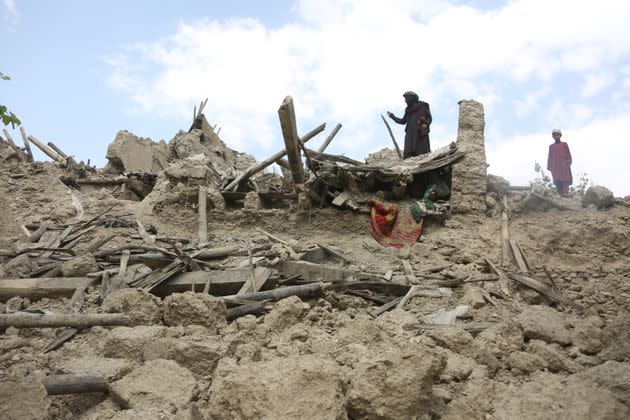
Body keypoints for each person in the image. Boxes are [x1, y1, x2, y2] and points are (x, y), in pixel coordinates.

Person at [387, 91, 432, 158]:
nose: (405, 101)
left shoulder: (423, 105)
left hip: (419, 130)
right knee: (409, 150)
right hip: (410, 131)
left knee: (421, 150)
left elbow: (429, 117)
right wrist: (392, 116)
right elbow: (403, 121)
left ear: (412, 97)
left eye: (406, 98)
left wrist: (426, 123)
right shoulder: (408, 109)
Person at [547, 128, 572, 196]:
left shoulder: (564, 144)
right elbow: (550, 157)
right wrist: (549, 166)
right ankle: (560, 194)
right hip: (555, 166)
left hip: (564, 165)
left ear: (560, 135)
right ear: (553, 136)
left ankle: (565, 193)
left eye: (558, 135)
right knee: (557, 179)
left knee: (565, 179)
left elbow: (568, 154)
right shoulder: (551, 146)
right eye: (554, 135)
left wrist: (568, 162)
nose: (556, 136)